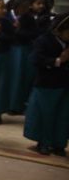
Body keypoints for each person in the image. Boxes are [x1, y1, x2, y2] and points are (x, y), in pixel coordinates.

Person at [24, 12, 69, 156]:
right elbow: (35, 59)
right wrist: (58, 61)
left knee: (62, 115)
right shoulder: (44, 40)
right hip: (47, 84)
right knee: (45, 115)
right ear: (58, 29)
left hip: (64, 84)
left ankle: (59, 144)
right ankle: (43, 142)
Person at [8, 0, 39, 114]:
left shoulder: (29, 18)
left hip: (24, 49)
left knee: (22, 78)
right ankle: (10, 104)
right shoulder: (9, 16)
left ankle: (18, 105)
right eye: (23, 6)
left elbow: (34, 33)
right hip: (11, 50)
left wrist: (18, 31)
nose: (26, 9)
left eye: (27, 6)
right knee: (12, 78)